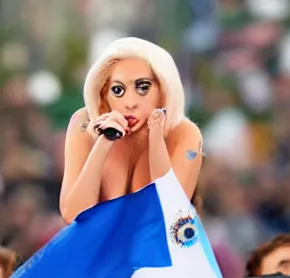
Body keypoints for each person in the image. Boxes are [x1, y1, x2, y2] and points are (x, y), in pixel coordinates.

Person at [60, 37, 203, 223]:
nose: (130, 104)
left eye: (143, 87)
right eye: (118, 90)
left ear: (163, 90)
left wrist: (156, 138)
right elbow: (73, 214)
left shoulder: (184, 133)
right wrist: (104, 141)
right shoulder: (84, 124)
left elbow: (171, 214)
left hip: (156, 250)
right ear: (104, 94)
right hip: (97, 249)